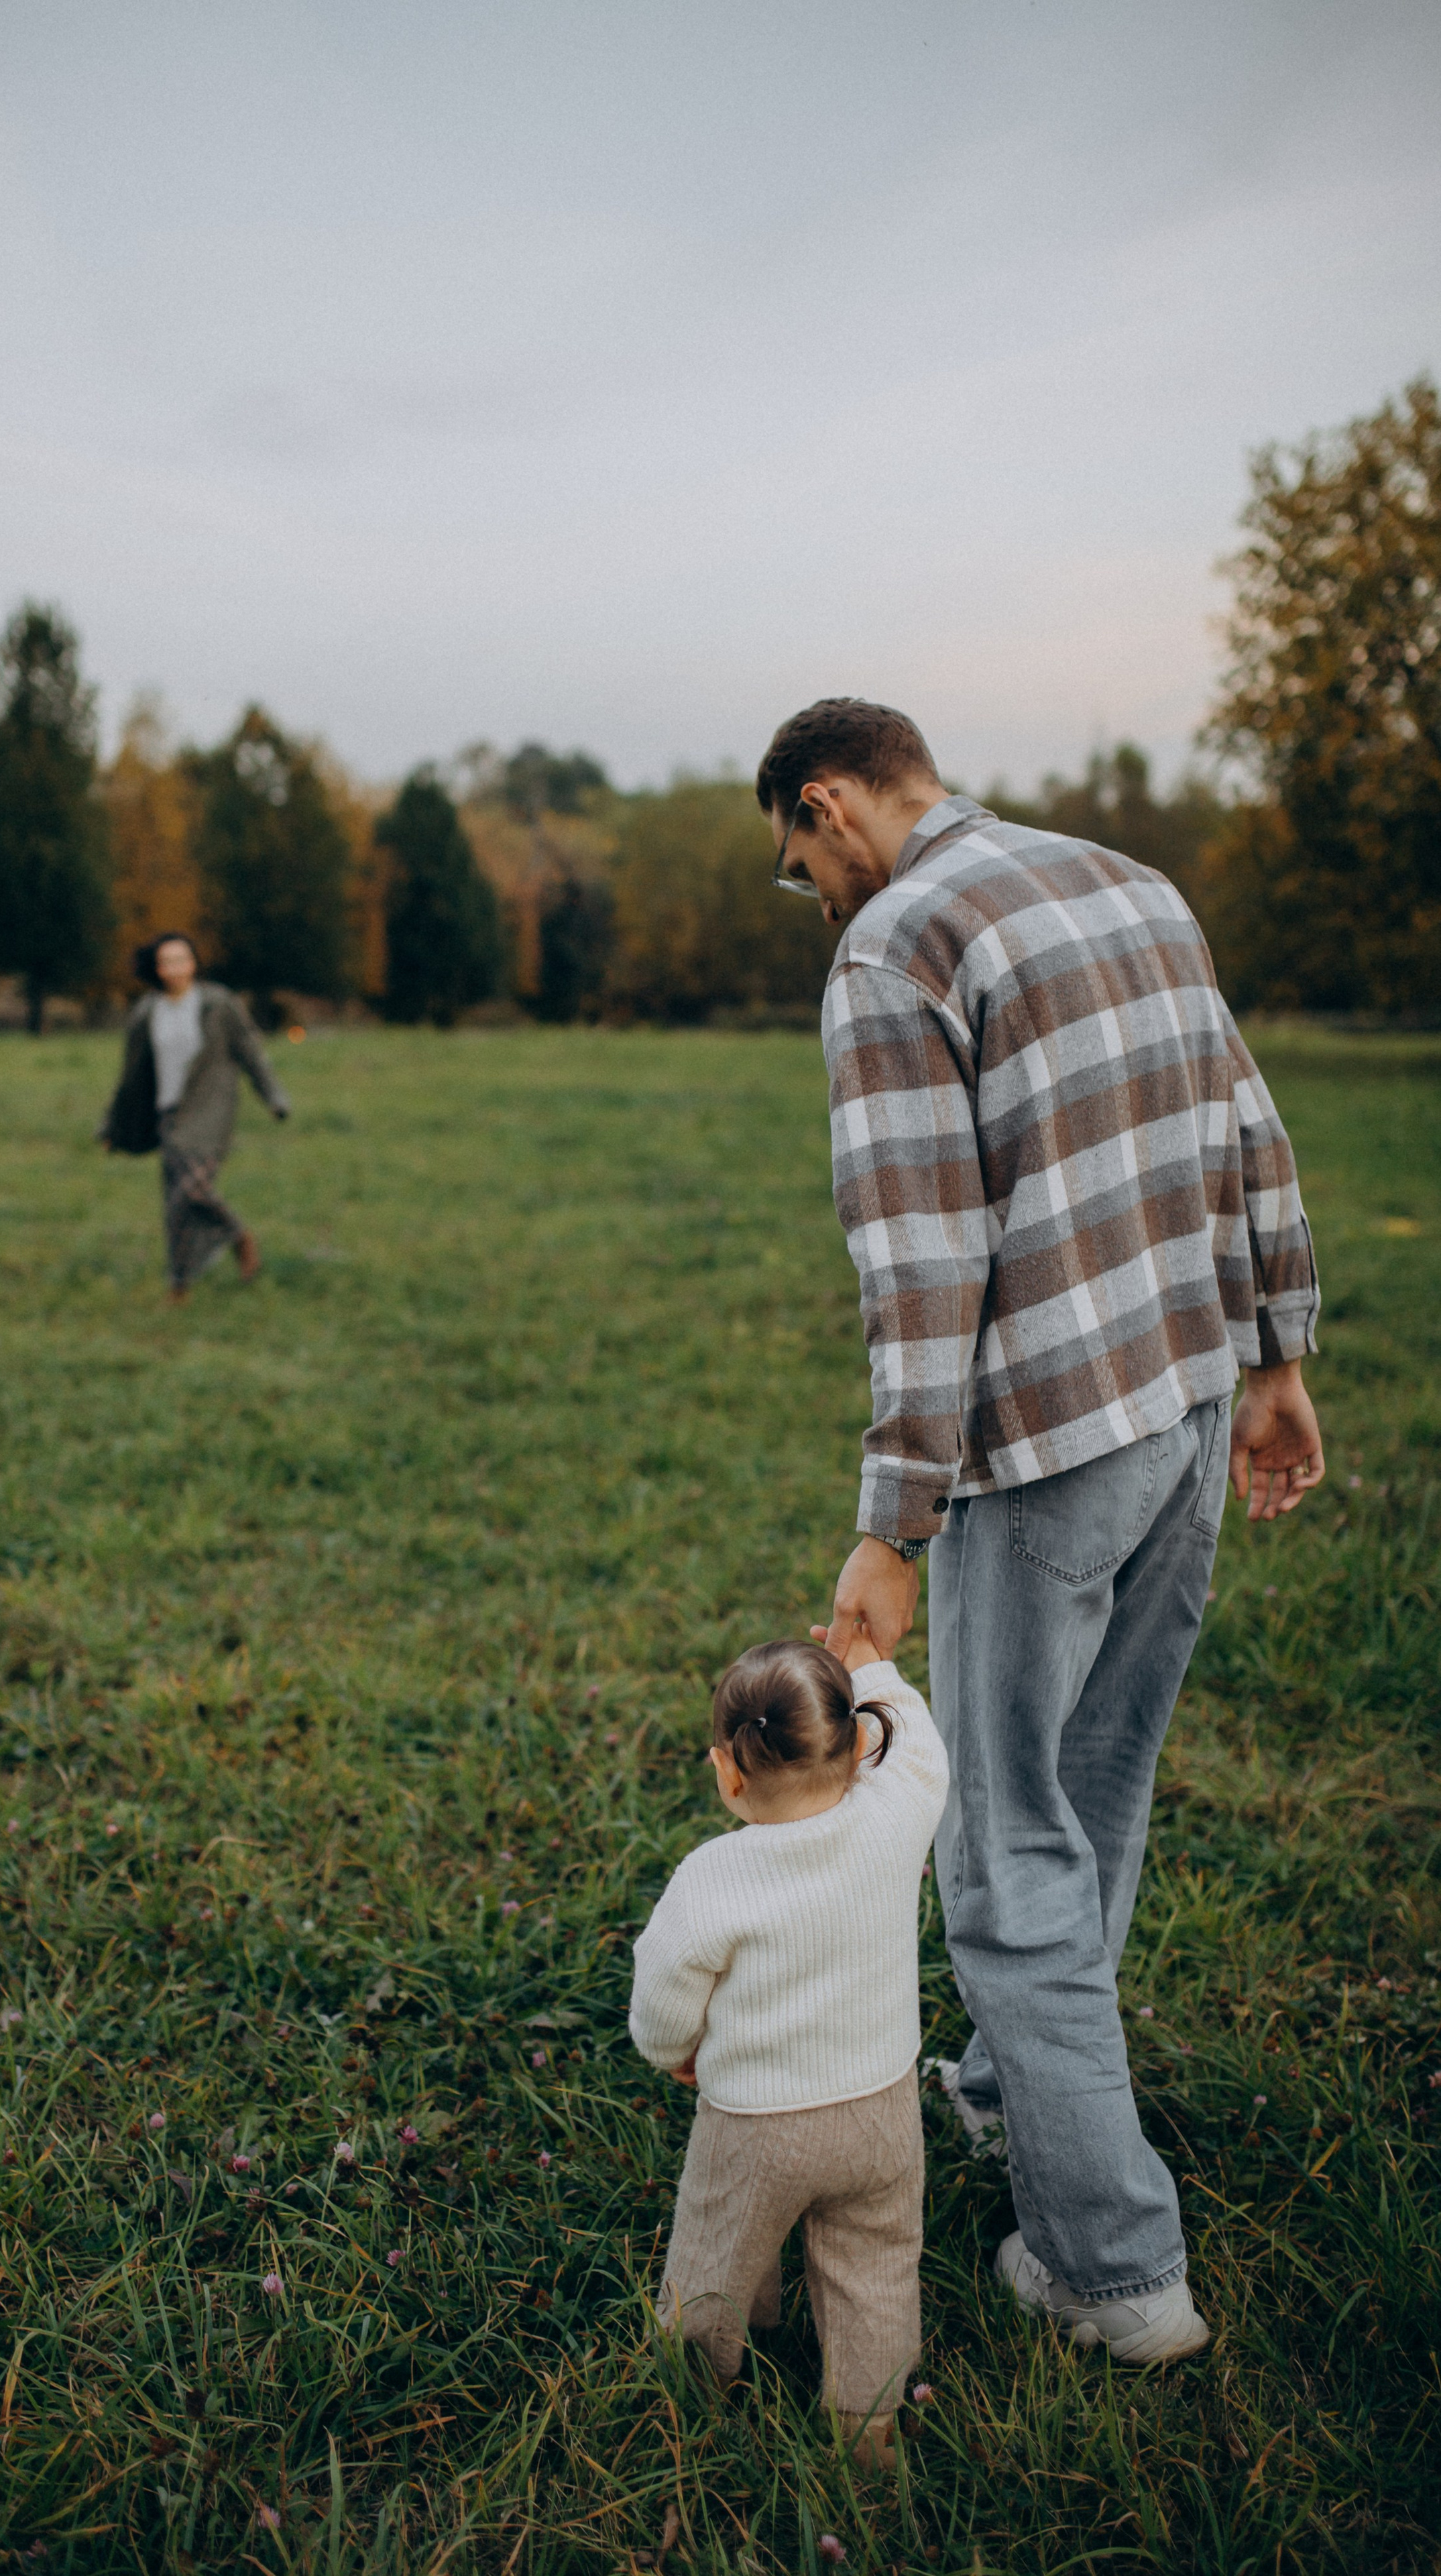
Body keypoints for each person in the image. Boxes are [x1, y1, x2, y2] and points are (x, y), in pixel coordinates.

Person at [755, 698, 1324, 2365]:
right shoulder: (1125, 878)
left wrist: (890, 1527)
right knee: (1094, 1786)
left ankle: (1110, 2269)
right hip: (1185, 1404)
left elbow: (918, 1266)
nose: (811, 894)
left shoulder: (887, 951)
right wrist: (1277, 1359)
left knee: (1006, 1855)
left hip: (1043, 1448)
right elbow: (1247, 1130)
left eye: (799, 861)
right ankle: (1010, 2086)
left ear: (830, 801)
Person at [630, 1638, 947, 2475]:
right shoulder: (895, 1813)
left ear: (727, 1772)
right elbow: (920, 1743)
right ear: (856, 1746)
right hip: (879, 2110)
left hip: (757, 2124)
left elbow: (661, 2000)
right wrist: (869, 1662)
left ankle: (696, 2389)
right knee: (875, 2260)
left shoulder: (711, 1877)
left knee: (717, 2252)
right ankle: (870, 2427)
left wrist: (675, 2052)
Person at [99, 933, 290, 1302]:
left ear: (194, 964)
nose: (176, 968)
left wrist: (274, 1097)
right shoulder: (146, 1012)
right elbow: (130, 1077)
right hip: (168, 1114)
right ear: (157, 968)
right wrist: (112, 1125)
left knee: (192, 1191)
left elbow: (250, 1052)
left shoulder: (218, 1004)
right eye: (167, 961)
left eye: (183, 959)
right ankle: (180, 1284)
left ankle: (237, 1235)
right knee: (175, 1205)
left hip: (210, 1110)